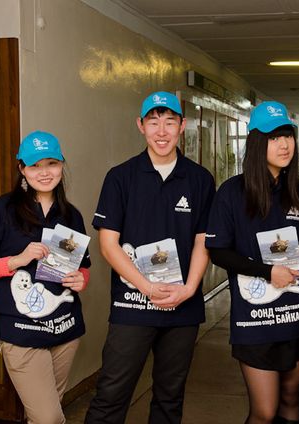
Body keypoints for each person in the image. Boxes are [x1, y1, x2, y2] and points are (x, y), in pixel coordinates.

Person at [85, 91, 215, 424]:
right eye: (153, 122)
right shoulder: (121, 177)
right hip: (132, 305)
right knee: (111, 395)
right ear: (140, 125)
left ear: (182, 126)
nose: (161, 131)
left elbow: (203, 241)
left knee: (170, 399)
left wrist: (189, 289)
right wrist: (146, 287)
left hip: (182, 307)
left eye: (170, 122)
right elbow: (108, 245)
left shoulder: (200, 179)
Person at [205, 101, 299, 424]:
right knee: (264, 411)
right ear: (257, 142)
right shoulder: (232, 193)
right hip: (254, 318)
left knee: (291, 401)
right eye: (274, 137)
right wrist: (267, 271)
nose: (284, 144)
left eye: (288, 135)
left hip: (296, 313)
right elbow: (218, 251)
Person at [0, 130, 91, 424]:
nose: (44, 173)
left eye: (51, 164)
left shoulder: (71, 215)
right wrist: (17, 260)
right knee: (49, 418)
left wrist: (81, 280)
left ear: (62, 164)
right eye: (35, 166)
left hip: (65, 329)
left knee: (45, 414)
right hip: (21, 332)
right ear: (22, 169)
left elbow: (83, 267)